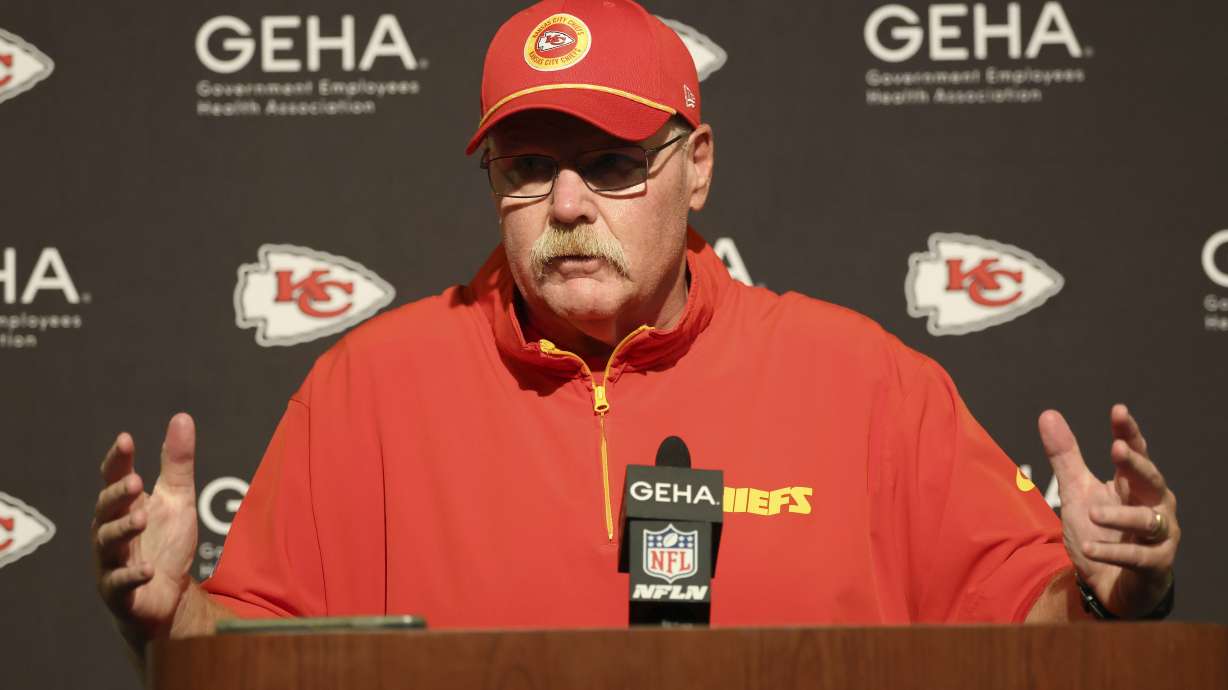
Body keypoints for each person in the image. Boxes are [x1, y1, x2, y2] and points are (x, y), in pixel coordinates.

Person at [92, 0, 1179, 666]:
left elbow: (1033, 639)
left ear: (695, 165)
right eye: (527, 167)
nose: (568, 204)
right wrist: (171, 618)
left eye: (612, 163)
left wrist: (1103, 589)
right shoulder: (366, 390)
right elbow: (249, 664)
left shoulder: (863, 382)